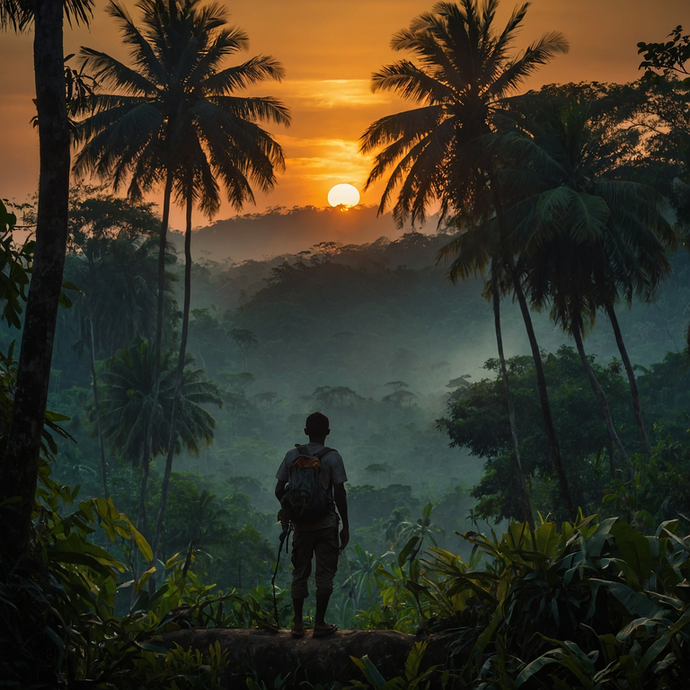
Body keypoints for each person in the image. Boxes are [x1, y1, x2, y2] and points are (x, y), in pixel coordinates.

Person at [275, 411, 349, 638]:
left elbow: (279, 490)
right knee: (324, 574)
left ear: (306, 432)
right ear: (328, 432)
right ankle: (319, 623)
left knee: (300, 573)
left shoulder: (291, 455)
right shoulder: (333, 458)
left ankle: (297, 624)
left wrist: (294, 510)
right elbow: (339, 494)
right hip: (326, 525)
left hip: (301, 527)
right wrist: (345, 526)